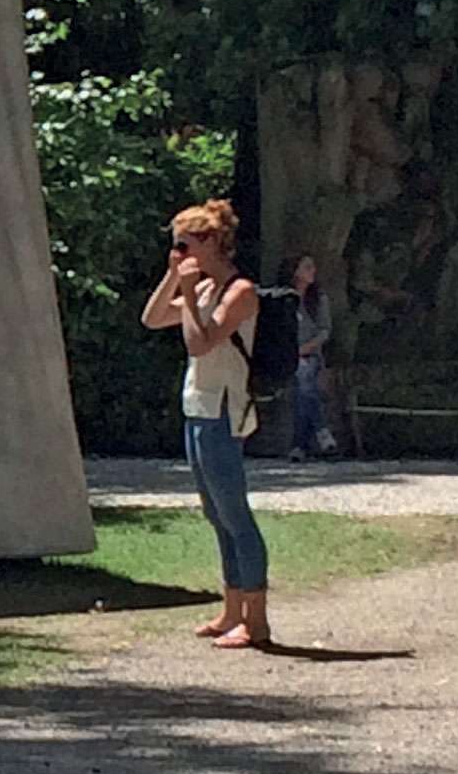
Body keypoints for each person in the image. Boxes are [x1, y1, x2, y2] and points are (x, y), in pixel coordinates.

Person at [143, 200, 269, 651]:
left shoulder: (240, 292)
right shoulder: (201, 289)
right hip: (198, 406)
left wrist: (190, 295)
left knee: (235, 514)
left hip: (224, 410)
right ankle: (231, 609)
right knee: (215, 515)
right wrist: (173, 278)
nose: (180, 252)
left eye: (185, 244)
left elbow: (200, 345)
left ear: (211, 241)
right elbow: (152, 318)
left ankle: (256, 620)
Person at [288, 253, 339, 460]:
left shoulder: (319, 299)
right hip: (286, 355)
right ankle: (321, 431)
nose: (312, 271)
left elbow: (324, 332)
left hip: (309, 355)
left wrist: (304, 349)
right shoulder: (284, 298)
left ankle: (298, 446)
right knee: (304, 385)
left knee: (304, 379)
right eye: (307, 267)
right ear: (295, 271)